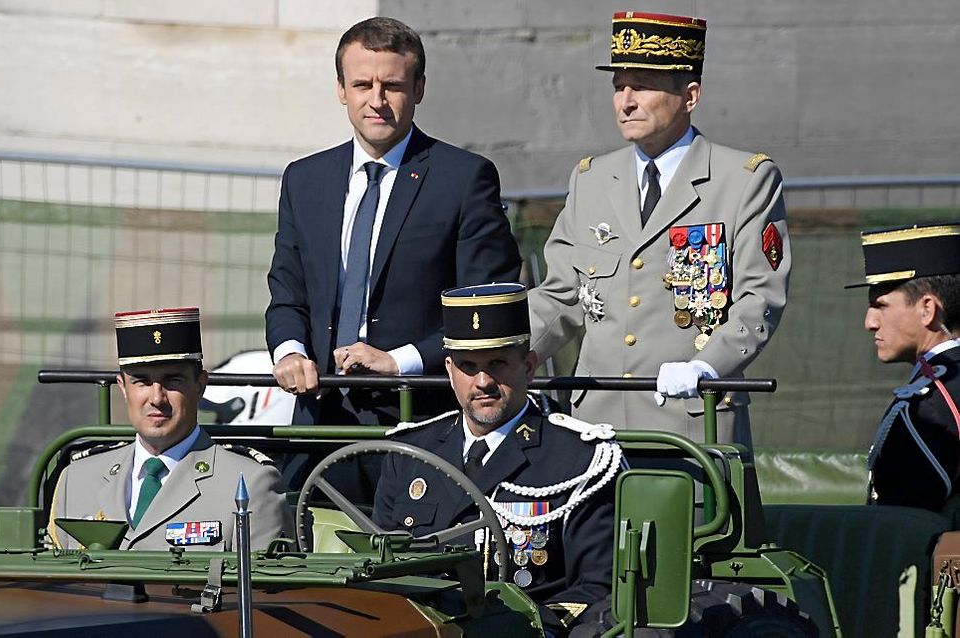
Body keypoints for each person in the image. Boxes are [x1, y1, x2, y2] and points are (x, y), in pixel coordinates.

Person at [528, 11, 791, 445]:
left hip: (691, 420)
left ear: (690, 96)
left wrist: (708, 365)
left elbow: (759, 296)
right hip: (597, 422)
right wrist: (507, 352)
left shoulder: (743, 179)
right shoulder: (592, 178)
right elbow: (561, 296)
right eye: (618, 87)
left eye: (643, 86)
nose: (625, 101)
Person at [266, 16, 521, 426]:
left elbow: (485, 309)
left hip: (421, 414)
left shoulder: (462, 178)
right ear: (341, 90)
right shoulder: (305, 179)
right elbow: (287, 292)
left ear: (419, 89)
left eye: (393, 86)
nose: (377, 100)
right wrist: (290, 352)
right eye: (362, 85)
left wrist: (398, 362)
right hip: (319, 414)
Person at [373, 283, 623, 634]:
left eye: (498, 363)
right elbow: (380, 565)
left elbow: (598, 587)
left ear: (529, 366)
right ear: (449, 369)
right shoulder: (410, 452)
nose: (483, 382)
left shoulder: (580, 460)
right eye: (468, 366)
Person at [49, 307, 290, 550]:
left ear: (200, 385)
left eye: (172, 380)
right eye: (142, 381)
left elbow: (267, 586)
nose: (156, 397)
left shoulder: (250, 483)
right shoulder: (77, 479)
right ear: (122, 387)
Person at [850, 223, 960, 512]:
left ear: (927, 309)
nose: (870, 322)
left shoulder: (927, 407)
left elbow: (904, 526)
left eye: (880, 305)